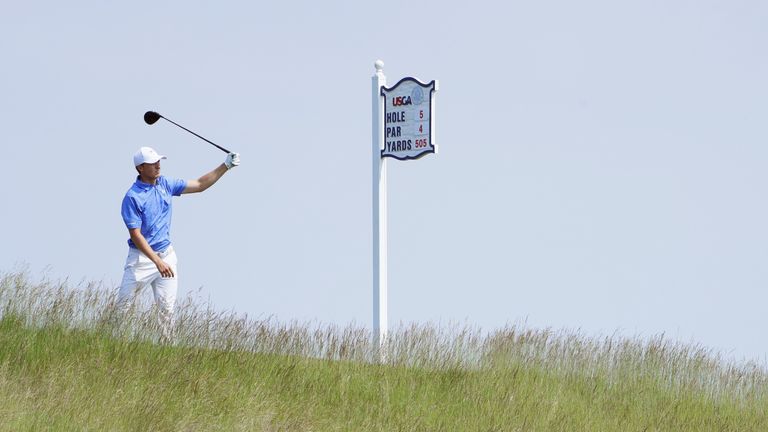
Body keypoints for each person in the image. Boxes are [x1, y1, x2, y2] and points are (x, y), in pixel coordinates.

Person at [118, 146, 240, 340]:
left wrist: (225, 166)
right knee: (122, 309)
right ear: (140, 168)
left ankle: (167, 354)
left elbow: (199, 184)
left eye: (159, 161)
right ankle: (117, 349)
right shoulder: (132, 197)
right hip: (141, 260)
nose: (158, 165)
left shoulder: (165, 184)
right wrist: (157, 262)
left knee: (166, 311)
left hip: (167, 256)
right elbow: (136, 235)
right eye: (152, 163)